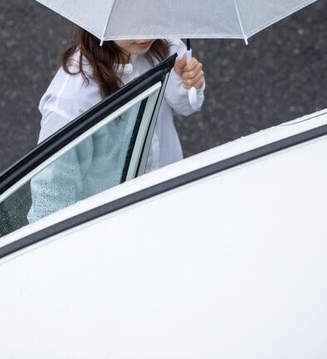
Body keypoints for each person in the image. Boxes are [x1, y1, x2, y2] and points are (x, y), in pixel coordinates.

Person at [26, 27, 205, 222]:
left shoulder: (164, 45)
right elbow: (50, 204)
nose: (146, 36)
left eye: (149, 15)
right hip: (114, 224)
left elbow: (187, 107)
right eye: (131, 23)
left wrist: (187, 84)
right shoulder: (71, 102)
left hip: (170, 197)